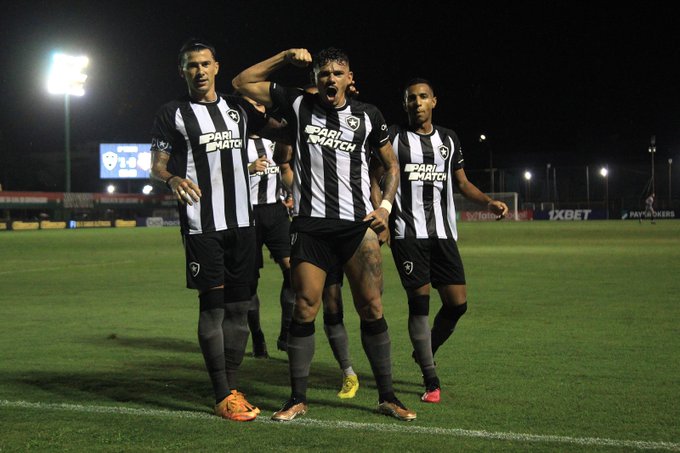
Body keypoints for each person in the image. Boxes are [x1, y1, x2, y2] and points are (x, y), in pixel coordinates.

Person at [233, 47, 416, 421]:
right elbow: (241, 82)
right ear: (316, 79)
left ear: (350, 78)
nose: (330, 79)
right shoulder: (299, 105)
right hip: (311, 227)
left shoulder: (369, 116)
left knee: (372, 308)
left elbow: (391, 164)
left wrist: (385, 208)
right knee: (304, 308)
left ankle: (387, 396)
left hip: (356, 227)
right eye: (324, 73)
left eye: (337, 73)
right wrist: (285, 57)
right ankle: (297, 398)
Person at [149, 39, 285, 422]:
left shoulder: (238, 108)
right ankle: (221, 392)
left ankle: (231, 386)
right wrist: (171, 177)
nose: (199, 71)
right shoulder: (171, 113)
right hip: (202, 226)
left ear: (217, 67)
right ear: (183, 71)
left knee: (240, 310)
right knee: (212, 310)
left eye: (205, 64)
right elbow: (156, 165)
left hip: (244, 223)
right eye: (191, 65)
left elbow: (281, 127)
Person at [378, 78, 508, 403]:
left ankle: (425, 349)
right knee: (419, 307)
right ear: (405, 104)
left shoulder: (448, 140)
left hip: (444, 234)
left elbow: (462, 184)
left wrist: (489, 202)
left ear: (434, 101)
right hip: (408, 234)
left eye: (423, 97)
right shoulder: (393, 137)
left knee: (457, 304)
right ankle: (430, 377)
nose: (417, 102)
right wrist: (380, 214)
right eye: (411, 98)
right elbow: (372, 175)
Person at [242, 95, 296, 358]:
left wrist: (292, 191)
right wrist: (247, 167)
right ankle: (258, 337)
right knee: (249, 281)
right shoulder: (235, 139)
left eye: (260, 106)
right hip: (247, 215)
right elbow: (221, 172)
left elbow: (284, 168)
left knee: (293, 271)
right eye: (252, 106)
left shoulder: (275, 138)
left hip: (276, 212)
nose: (258, 110)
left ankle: (286, 333)